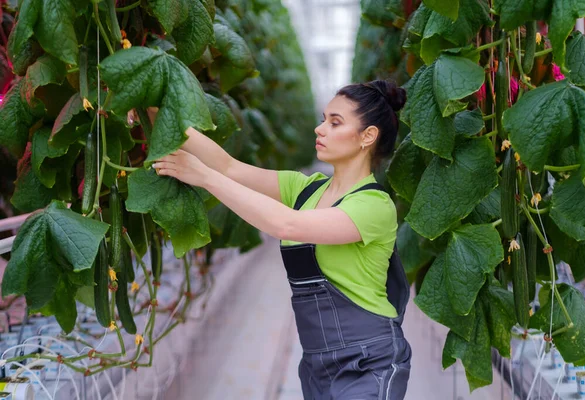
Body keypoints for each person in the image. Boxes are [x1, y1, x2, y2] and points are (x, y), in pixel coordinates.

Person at [150, 79, 412, 399]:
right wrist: (152, 109)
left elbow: (287, 225)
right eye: (323, 119)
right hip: (317, 365)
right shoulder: (307, 189)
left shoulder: (374, 205)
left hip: (369, 362)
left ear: (367, 136)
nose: (320, 129)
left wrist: (204, 177)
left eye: (335, 122)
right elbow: (229, 167)